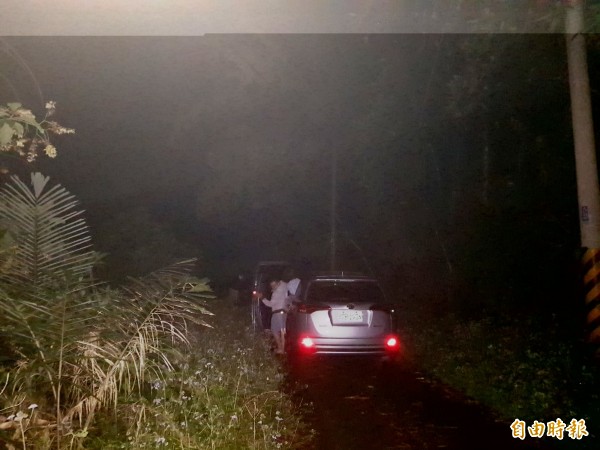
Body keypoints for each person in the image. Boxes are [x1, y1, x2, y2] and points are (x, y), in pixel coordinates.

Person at [262, 277, 288, 354]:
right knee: (281, 330)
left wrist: (262, 298)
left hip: (277, 313)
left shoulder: (276, 293)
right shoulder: (284, 286)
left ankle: (281, 349)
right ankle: (281, 348)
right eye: (272, 286)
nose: (273, 287)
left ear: (278, 283)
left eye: (274, 285)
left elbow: (270, 304)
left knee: (277, 330)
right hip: (283, 312)